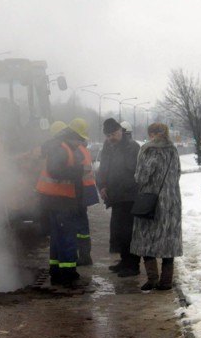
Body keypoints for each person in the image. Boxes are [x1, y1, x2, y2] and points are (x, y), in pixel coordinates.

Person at [130, 123, 183, 291]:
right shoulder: (173, 150)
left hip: (151, 201)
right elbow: (178, 173)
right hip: (172, 202)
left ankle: (152, 278)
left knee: (146, 240)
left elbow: (142, 176)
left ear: (151, 134)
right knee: (168, 241)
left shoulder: (148, 149)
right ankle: (166, 281)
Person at [36, 122, 86, 287]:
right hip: (61, 201)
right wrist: (78, 171)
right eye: (79, 141)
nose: (80, 144)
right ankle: (68, 274)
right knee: (66, 237)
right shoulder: (61, 148)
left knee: (58, 238)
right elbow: (55, 170)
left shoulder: (60, 146)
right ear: (73, 137)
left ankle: (56, 270)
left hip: (55, 200)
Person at [97, 118, 141, 277]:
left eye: (114, 134)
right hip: (115, 196)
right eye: (108, 136)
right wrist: (101, 185)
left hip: (129, 196)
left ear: (120, 131)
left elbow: (133, 172)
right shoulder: (108, 147)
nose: (111, 138)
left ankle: (133, 264)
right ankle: (124, 260)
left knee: (129, 231)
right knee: (119, 231)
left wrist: (121, 188)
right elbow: (103, 168)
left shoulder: (132, 147)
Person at [68, 118, 99, 266]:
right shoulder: (84, 148)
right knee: (82, 224)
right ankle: (86, 256)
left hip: (80, 190)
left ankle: (83, 257)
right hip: (87, 189)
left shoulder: (76, 150)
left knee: (78, 224)